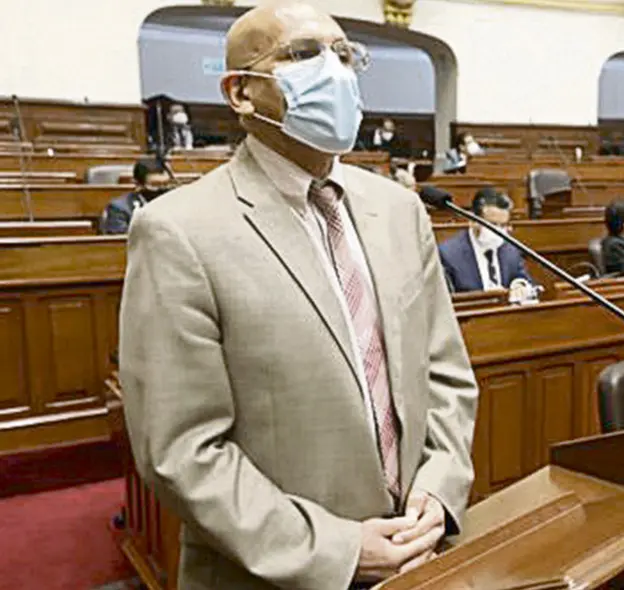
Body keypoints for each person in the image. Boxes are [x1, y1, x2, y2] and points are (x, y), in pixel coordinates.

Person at [119, 4, 478, 588]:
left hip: (421, 556)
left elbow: (446, 374)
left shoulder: (398, 209)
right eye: (304, 54)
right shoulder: (177, 230)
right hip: (274, 574)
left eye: (344, 55)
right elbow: (183, 449)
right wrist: (337, 549)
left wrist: (439, 488)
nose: (335, 71)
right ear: (240, 93)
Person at [437, 187, 533, 299]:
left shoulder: (510, 247)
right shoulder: (449, 254)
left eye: (503, 225)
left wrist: (519, 284)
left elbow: (521, 277)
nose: (499, 231)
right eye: (493, 224)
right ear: (473, 221)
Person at [98, 157, 172, 235]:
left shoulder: (176, 204)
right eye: (155, 185)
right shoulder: (120, 209)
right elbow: (120, 243)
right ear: (138, 184)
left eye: (166, 184)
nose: (161, 189)